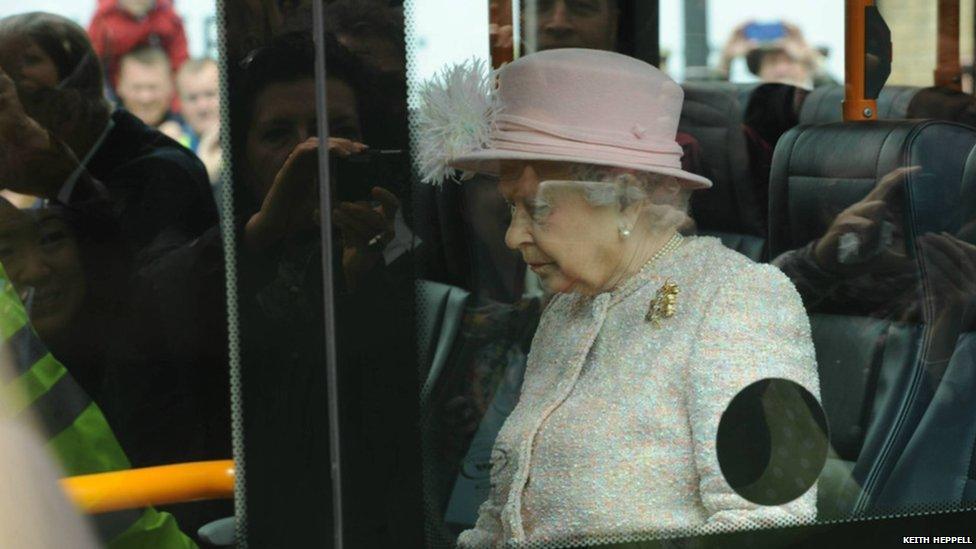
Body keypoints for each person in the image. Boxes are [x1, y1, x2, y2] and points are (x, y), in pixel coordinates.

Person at [417, 49, 822, 545]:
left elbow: (770, 521)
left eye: (537, 208)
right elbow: (502, 515)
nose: (513, 236)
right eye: (510, 209)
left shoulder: (740, 298)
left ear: (627, 198)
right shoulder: (569, 308)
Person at [87, 0, 188, 94]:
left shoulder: (169, 17)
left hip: (162, 95)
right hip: (115, 92)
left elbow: (181, 66)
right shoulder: (104, 18)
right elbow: (90, 65)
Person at [715, 21, 833, 88]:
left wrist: (811, 60)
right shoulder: (747, 110)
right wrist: (725, 61)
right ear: (759, 71)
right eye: (772, 62)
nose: (781, 69)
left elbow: (837, 99)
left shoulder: (818, 109)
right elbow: (713, 103)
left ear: (805, 68)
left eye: (790, 60)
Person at [115, 46, 188, 140]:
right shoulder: (100, 135)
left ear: (171, 86)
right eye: (137, 88)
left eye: (153, 87)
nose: (146, 98)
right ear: (119, 86)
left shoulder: (192, 129)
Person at [176, 57, 222, 182]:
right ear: (180, 103)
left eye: (210, 94)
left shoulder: (244, 143)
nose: (202, 107)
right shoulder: (174, 146)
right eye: (192, 98)